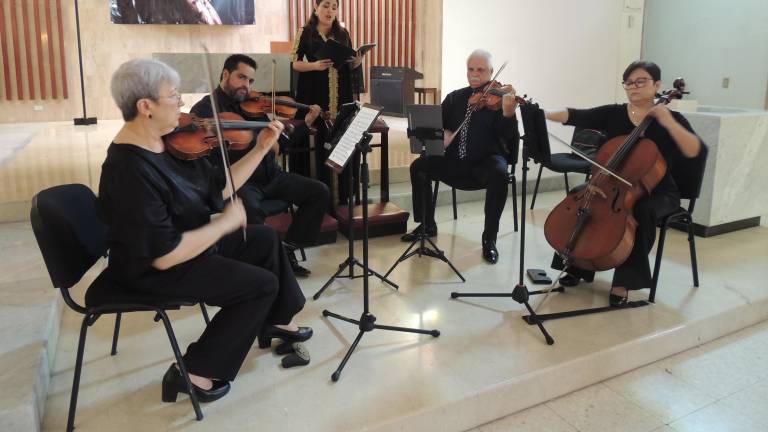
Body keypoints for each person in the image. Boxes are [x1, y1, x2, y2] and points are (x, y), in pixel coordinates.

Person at [98, 59, 312, 404]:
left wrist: (260, 148)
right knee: (260, 285)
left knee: (265, 239)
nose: (182, 102)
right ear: (145, 106)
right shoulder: (129, 170)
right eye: (174, 95)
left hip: (187, 242)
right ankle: (193, 371)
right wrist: (223, 224)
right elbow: (164, 256)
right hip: (152, 269)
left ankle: (277, 320)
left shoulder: (166, 143)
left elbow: (219, 188)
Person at [545, 60, 706, 306]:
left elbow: (696, 149)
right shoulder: (614, 113)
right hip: (614, 184)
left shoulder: (671, 118)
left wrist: (669, 122)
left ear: (657, 85)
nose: (633, 87)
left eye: (640, 81)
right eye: (629, 83)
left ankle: (625, 281)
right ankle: (577, 265)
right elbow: (575, 115)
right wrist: (542, 114)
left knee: (642, 210)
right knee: (582, 197)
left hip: (659, 190)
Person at [189, 54, 330, 277]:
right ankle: (260, 266)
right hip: (241, 182)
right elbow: (200, 156)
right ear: (225, 74)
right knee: (250, 208)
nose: (246, 85)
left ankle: (288, 249)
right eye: (241, 77)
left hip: (272, 176)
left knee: (319, 191)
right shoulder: (205, 111)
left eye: (251, 81)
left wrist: (305, 124)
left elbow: (280, 145)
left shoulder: (254, 106)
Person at [403, 49, 519, 264]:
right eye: (471, 69)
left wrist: (508, 113)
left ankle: (489, 239)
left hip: (484, 163)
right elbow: (437, 126)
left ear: (491, 72)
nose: (474, 74)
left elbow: (508, 135)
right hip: (455, 160)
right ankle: (427, 225)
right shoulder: (455, 98)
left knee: (500, 173)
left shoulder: (500, 101)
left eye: (481, 70)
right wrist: (441, 133)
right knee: (419, 167)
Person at [290, 0, 364, 205]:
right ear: (316, 8)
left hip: (342, 96)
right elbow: (295, 63)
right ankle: (317, 197)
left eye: (334, 7)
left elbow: (349, 64)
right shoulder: (305, 32)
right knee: (320, 138)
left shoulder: (343, 33)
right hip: (314, 94)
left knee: (342, 137)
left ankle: (342, 196)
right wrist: (314, 65)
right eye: (326, 6)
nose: (330, 11)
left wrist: (357, 62)